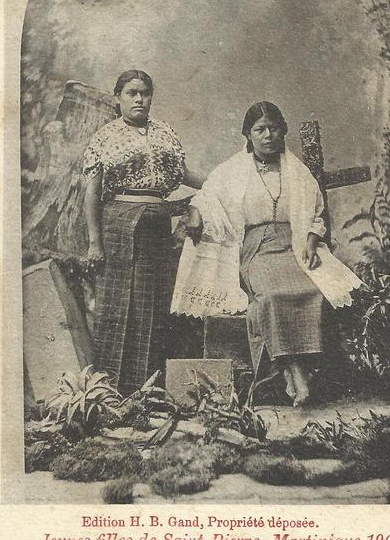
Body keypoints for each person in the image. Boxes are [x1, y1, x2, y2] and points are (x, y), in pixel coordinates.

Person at [171, 101, 363, 406]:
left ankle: (295, 372)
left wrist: (312, 241)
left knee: (313, 290)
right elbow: (207, 196)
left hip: (295, 242)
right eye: (260, 130)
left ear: (283, 131)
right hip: (256, 247)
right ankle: (296, 372)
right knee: (272, 296)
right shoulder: (233, 169)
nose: (268, 135)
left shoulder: (296, 171)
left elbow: (315, 213)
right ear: (248, 134)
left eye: (274, 128)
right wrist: (194, 214)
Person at [83, 69, 204, 395]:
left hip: (156, 225)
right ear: (118, 97)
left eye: (145, 93)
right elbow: (92, 192)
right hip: (118, 224)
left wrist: (221, 181)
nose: (139, 99)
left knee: (152, 305)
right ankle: (111, 390)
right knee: (118, 303)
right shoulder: (105, 137)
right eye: (131, 93)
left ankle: (148, 389)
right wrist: (95, 242)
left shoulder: (165, 134)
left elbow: (183, 175)